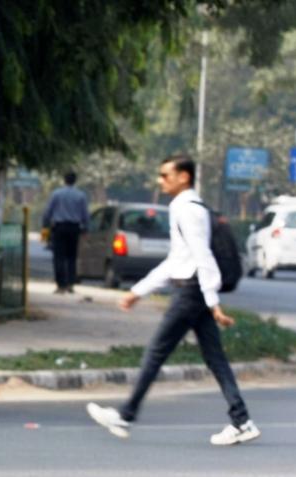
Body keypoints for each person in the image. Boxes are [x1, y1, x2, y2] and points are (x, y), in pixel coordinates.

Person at [86, 154, 261, 446]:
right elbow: (177, 259)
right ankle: (242, 420)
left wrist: (212, 300)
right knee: (215, 358)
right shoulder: (183, 207)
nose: (160, 181)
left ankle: (126, 415)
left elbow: (202, 256)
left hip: (191, 292)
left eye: (166, 175)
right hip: (192, 289)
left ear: (184, 177)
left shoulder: (189, 210)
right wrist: (138, 291)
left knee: (156, 353)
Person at [42, 171, 89, 294]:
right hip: (74, 228)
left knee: (59, 257)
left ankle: (60, 285)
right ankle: (70, 284)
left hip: (59, 228)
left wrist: (45, 224)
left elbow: (48, 211)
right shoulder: (81, 195)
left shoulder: (57, 194)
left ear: (64, 180)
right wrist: (85, 227)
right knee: (72, 257)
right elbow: (85, 214)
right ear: (75, 180)